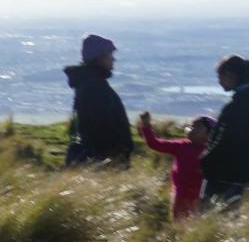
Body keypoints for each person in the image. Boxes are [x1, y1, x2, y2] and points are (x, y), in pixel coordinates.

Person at [199, 54, 249, 207]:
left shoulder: (238, 105)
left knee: (213, 221)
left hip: (225, 173)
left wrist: (204, 161)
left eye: (219, 76)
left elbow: (228, 141)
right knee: (231, 218)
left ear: (229, 75)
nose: (218, 81)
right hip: (247, 170)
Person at [64, 33, 133, 166]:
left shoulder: (87, 82)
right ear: (100, 57)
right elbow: (102, 123)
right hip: (105, 157)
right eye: (110, 55)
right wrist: (119, 149)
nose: (113, 60)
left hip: (98, 155)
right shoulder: (95, 86)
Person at [140, 111, 213, 221]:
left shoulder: (212, 151)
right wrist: (146, 125)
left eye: (198, 126)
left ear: (210, 133)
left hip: (200, 197)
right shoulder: (181, 146)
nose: (192, 128)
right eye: (190, 125)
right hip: (179, 194)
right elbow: (154, 144)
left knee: (195, 224)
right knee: (178, 223)